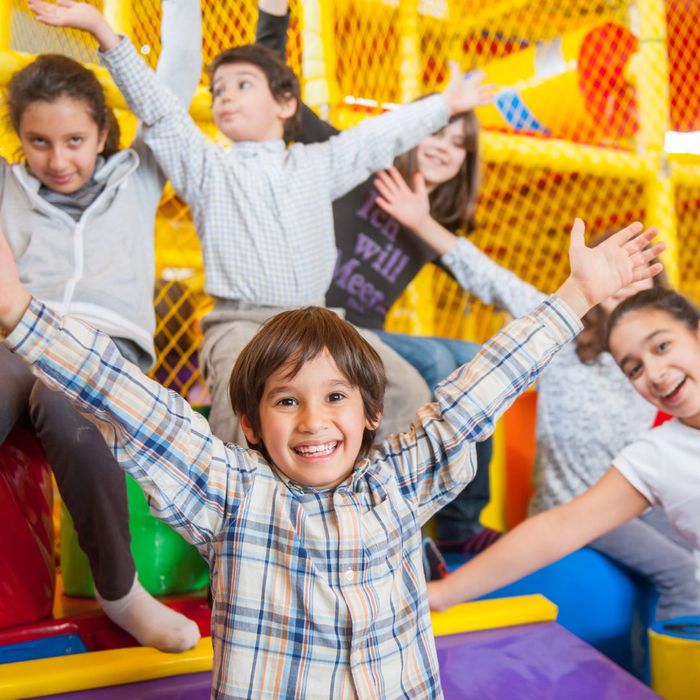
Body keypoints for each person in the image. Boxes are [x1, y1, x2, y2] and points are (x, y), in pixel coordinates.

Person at [0, 219, 664, 697]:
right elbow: (140, 405)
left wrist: (576, 297)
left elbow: (480, 389)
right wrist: (20, 313)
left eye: (336, 396)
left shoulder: (399, 482)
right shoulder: (234, 493)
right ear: (253, 427)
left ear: (371, 413)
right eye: (286, 402)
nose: (314, 421)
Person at [28, 0, 493, 451]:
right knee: (240, 396)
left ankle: (366, 511)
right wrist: (103, 31)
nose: (225, 96)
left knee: (405, 392)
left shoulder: (318, 163)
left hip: (319, 319)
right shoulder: (208, 166)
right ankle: (238, 519)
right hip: (241, 320)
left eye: (242, 85)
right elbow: (160, 109)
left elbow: (377, 138)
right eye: (219, 90)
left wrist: (444, 106)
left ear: (286, 104)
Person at [376, 167, 700, 620]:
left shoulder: (664, 367)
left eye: (636, 273)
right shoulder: (566, 339)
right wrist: (420, 222)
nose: (653, 372)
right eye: (635, 366)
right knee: (684, 571)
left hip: (635, 499)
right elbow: (489, 277)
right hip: (581, 500)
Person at [255, 0, 496, 553]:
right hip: (322, 320)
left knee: (472, 361)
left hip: (371, 333)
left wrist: (422, 223)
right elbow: (281, 101)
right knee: (435, 363)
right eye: (436, 129)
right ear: (411, 130)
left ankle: (459, 525)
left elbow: (480, 277)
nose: (443, 147)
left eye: (459, 146)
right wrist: (274, 15)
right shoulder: (359, 166)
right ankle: (402, 517)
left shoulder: (434, 221)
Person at [0, 0, 202, 651]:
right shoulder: (7, 186)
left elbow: (176, 80)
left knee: (68, 411)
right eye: (38, 142)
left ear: (102, 133)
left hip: (101, 349)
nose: (58, 159)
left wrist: (103, 30)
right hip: (15, 341)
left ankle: (121, 592)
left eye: (75, 141)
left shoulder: (136, 178)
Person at [427, 287, 700, 615]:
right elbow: (558, 527)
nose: (654, 375)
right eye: (634, 369)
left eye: (662, 346)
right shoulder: (655, 455)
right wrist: (443, 594)